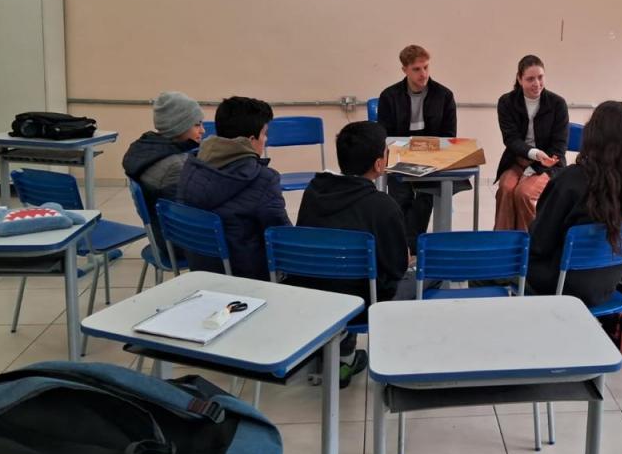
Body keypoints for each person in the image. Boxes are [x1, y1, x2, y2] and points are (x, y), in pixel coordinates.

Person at [293, 121, 411, 388]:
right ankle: (381, 359)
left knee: (343, 272)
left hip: (312, 295)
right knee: (421, 278)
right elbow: (396, 269)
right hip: (358, 305)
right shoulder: (383, 206)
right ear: (380, 165)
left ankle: (336, 351)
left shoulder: (314, 191)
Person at [526, 101, 622, 307]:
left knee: (493, 270)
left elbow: (539, 244)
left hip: (561, 284)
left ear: (592, 135)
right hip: (608, 285)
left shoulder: (570, 180)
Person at [177, 96, 290, 280]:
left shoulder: (192, 167)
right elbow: (282, 237)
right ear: (252, 140)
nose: (266, 139)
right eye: (264, 133)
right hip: (248, 276)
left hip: (201, 272)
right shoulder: (263, 179)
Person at [376, 44, 458, 252]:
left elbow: (449, 136)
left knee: (425, 196)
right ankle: (404, 247)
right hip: (399, 156)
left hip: (431, 158)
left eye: (426, 67)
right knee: (400, 196)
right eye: (416, 69)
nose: (423, 74)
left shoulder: (444, 95)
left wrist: (429, 154)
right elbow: (384, 134)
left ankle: (408, 248)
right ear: (404, 70)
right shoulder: (389, 96)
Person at [122, 91, 204, 258]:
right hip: (179, 244)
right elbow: (187, 213)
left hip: (160, 236)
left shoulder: (147, 149)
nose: (202, 130)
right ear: (179, 126)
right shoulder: (174, 164)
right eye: (197, 125)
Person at [494, 55, 569, 231]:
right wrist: (534, 154)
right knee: (505, 189)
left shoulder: (558, 104)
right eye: (530, 79)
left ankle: (532, 244)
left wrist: (537, 166)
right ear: (519, 79)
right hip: (517, 160)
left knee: (523, 194)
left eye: (540, 77)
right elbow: (511, 139)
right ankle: (504, 243)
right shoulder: (506, 102)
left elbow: (559, 147)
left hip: (549, 164)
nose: (537, 83)